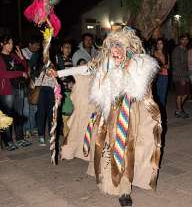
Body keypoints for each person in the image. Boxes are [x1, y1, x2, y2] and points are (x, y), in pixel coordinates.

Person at [48, 28, 162, 207]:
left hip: (129, 114)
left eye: (120, 47)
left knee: (126, 149)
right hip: (107, 113)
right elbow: (86, 69)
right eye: (113, 47)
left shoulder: (138, 64)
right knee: (106, 146)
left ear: (128, 48)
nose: (115, 51)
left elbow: (141, 86)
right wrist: (59, 73)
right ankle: (109, 180)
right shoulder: (105, 64)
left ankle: (125, 188)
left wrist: (128, 67)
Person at [0, 34, 31, 150]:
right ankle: (7, 141)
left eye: (12, 43)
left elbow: (24, 67)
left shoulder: (13, 55)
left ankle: (20, 139)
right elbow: (3, 74)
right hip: (6, 89)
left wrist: (21, 57)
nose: (11, 45)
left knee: (19, 114)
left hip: (18, 87)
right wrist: (19, 73)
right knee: (6, 116)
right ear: (2, 44)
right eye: (8, 43)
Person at [172, 34, 190, 118]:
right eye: (183, 39)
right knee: (180, 94)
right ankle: (179, 111)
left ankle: (178, 109)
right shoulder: (177, 50)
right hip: (179, 76)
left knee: (186, 93)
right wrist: (181, 78)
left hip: (185, 75)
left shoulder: (185, 50)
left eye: (186, 40)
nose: (185, 41)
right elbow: (176, 65)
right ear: (180, 40)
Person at [153, 38, 169, 108]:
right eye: (158, 43)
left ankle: (162, 109)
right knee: (157, 94)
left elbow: (168, 66)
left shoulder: (166, 53)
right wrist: (163, 66)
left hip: (165, 76)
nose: (159, 45)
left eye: (161, 43)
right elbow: (155, 66)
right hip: (157, 77)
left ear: (163, 45)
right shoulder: (154, 53)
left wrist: (163, 66)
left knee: (163, 94)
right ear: (156, 45)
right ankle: (157, 111)